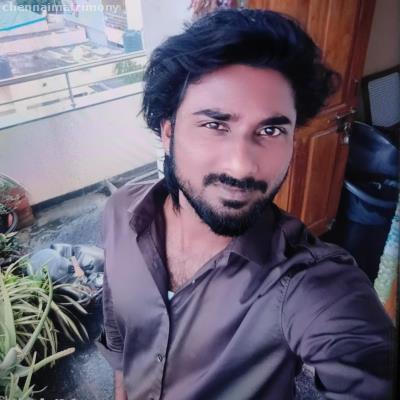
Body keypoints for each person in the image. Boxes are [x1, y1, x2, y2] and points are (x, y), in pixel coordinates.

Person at [96, 8, 394, 400]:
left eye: (270, 130)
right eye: (215, 124)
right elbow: (120, 338)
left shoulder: (309, 284)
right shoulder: (121, 213)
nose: (241, 165)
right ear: (168, 133)